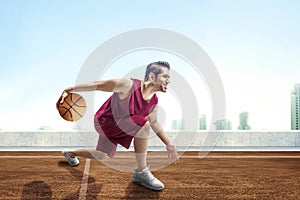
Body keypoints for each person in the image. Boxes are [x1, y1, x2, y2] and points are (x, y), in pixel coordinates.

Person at [57, 61, 179, 191]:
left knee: (101, 154)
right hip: (105, 121)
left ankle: (70, 153)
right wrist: (69, 89)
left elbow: (155, 123)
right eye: (165, 76)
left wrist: (168, 144)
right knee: (143, 124)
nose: (168, 80)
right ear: (152, 77)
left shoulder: (154, 101)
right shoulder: (128, 85)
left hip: (120, 125)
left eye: (169, 78)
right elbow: (97, 85)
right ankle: (141, 172)